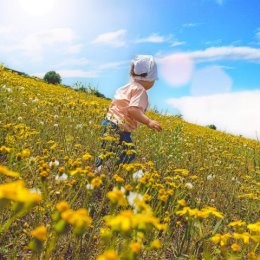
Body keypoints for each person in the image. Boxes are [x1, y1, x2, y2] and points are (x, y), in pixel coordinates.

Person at [95, 55, 162, 169]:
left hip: (108, 123)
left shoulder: (128, 86)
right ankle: (109, 172)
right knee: (129, 153)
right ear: (149, 79)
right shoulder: (140, 90)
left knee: (106, 151)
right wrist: (148, 121)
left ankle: (97, 171)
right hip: (119, 128)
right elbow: (133, 110)